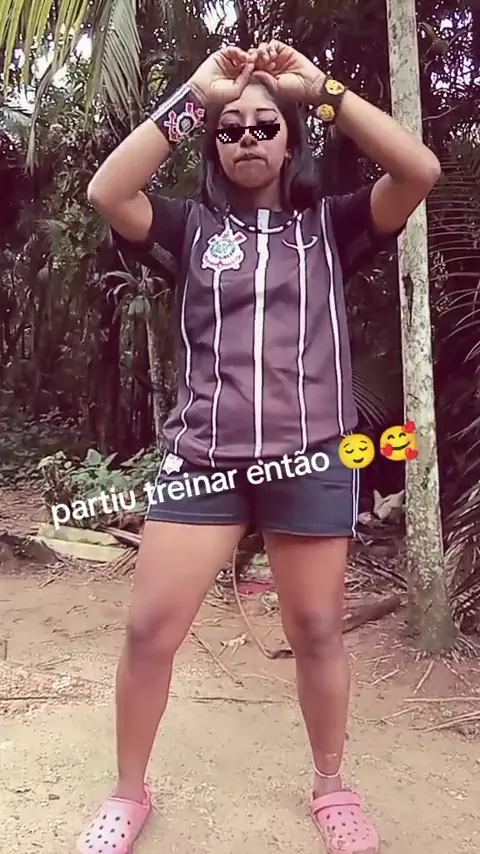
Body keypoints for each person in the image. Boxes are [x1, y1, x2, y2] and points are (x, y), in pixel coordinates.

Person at [80, 40, 440, 854]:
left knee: (315, 629)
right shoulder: (188, 228)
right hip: (203, 463)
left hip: (310, 461)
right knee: (150, 631)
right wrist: (196, 96)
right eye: (231, 128)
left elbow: (418, 170)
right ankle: (128, 791)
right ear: (214, 143)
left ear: (290, 140)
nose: (247, 138)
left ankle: (332, 785)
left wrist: (321, 89)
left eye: (265, 126)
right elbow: (108, 191)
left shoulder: (332, 226)